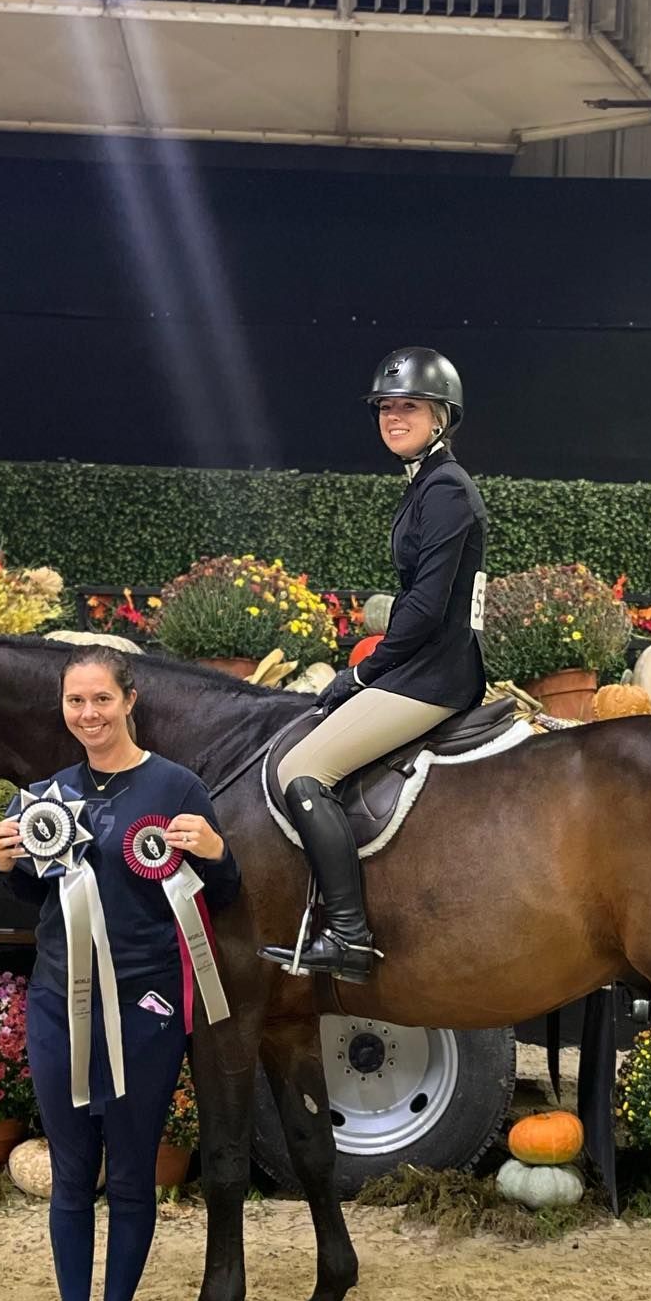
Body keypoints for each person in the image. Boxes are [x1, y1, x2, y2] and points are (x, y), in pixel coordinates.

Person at [0, 644, 240, 1301]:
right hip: (60, 1003)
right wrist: (5, 866)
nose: (88, 714)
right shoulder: (40, 797)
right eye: (75, 702)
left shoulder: (176, 785)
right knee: (70, 1171)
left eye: (101, 699)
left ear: (130, 700)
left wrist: (219, 853)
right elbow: (35, 905)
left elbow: (216, 892)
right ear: (62, 708)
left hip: (145, 1003)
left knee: (131, 1171)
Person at [260, 346, 487, 983]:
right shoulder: (426, 485)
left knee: (303, 771)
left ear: (442, 416)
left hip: (435, 675)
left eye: (408, 407)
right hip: (425, 665)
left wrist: (361, 673)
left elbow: (420, 612)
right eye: (385, 409)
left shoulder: (445, 489)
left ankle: (350, 937)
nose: (392, 418)